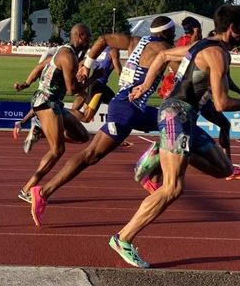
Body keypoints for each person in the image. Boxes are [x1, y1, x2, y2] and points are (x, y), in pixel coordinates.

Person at [109, 5, 240, 269]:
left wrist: (144, 86)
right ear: (232, 29)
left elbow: (162, 56)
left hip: (185, 117)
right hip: (177, 114)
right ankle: (123, 238)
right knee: (173, 188)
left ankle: (161, 148)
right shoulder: (217, 54)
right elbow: (220, 104)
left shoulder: (203, 45)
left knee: (224, 168)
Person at [28, 17, 176, 227]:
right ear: (167, 33)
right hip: (126, 109)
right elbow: (186, 71)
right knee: (90, 155)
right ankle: (42, 192)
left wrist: (87, 66)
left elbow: (104, 39)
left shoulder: (135, 41)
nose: (176, 36)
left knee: (172, 125)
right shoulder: (165, 48)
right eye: (173, 32)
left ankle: (150, 173)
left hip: (133, 107)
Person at [15, 23, 92, 203]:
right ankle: (27, 189)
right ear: (80, 36)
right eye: (88, 36)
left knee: (82, 136)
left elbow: (41, 66)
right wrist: (94, 79)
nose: (90, 40)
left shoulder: (63, 51)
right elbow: (72, 90)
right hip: (46, 102)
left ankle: (41, 132)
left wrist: (26, 83)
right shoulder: (68, 56)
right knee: (57, 150)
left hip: (53, 102)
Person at [179, 20, 240, 181]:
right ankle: (173, 154)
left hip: (203, 100)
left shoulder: (218, 54)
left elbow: (227, 79)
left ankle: (229, 165)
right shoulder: (207, 50)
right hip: (192, 99)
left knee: (223, 125)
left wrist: (239, 91)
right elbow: (169, 58)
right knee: (185, 134)